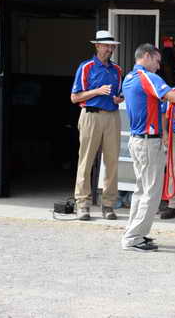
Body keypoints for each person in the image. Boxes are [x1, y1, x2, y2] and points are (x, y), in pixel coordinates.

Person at [121, 43, 175, 252]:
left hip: (138, 140)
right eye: (157, 61)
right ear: (148, 56)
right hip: (148, 142)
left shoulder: (129, 77)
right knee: (151, 192)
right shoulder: (147, 77)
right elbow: (174, 97)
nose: (159, 66)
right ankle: (133, 238)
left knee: (141, 190)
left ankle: (135, 233)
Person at [70, 30, 125, 221]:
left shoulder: (117, 70)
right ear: (97, 46)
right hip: (91, 115)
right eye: (107, 46)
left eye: (112, 46)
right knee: (86, 160)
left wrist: (119, 99)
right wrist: (97, 91)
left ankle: (108, 205)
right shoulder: (86, 67)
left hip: (112, 116)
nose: (110, 49)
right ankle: (83, 204)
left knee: (112, 162)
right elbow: (75, 97)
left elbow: (118, 95)